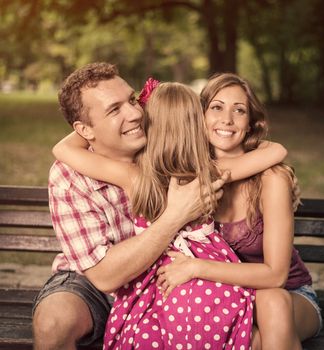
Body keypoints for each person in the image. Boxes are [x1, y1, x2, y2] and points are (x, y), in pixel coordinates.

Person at [52, 80, 288, 349]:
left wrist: (87, 128)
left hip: (160, 275)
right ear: (198, 126)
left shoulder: (135, 176)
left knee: (155, 333)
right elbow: (277, 150)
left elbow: (62, 150)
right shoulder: (211, 172)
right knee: (235, 336)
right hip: (208, 276)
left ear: (147, 128)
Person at [31, 62, 227, 350]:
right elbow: (104, 275)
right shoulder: (68, 175)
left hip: (169, 275)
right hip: (94, 286)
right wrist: (175, 215)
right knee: (53, 325)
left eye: (133, 100)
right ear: (84, 129)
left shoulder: (163, 142)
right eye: (114, 110)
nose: (135, 114)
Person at [157, 73, 322, 350]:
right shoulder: (188, 180)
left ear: (250, 124)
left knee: (272, 300)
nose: (227, 119)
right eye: (217, 107)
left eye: (239, 110)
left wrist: (196, 267)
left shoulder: (272, 179)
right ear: (201, 117)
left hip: (289, 294)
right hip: (222, 299)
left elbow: (276, 276)